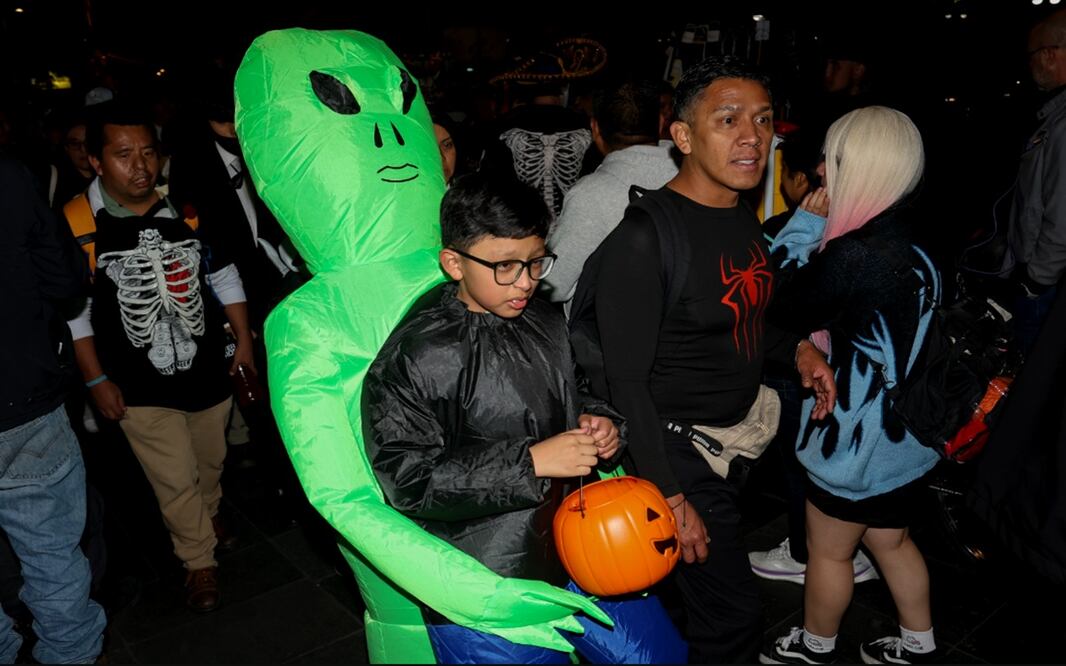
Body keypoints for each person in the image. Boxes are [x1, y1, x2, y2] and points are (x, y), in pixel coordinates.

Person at [363, 173, 687, 664]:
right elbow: (408, 481)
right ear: (454, 262)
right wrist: (531, 461)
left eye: (536, 262)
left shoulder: (544, 319)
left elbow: (577, 393)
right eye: (505, 266)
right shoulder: (417, 356)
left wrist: (601, 424)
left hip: (580, 544)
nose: (526, 282)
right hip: (485, 578)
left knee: (656, 656)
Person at [590, 56, 836, 663]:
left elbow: (746, 315)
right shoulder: (644, 239)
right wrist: (671, 500)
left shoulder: (740, 216)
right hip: (677, 452)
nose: (751, 136)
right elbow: (626, 382)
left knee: (690, 605)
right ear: (682, 136)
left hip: (732, 444)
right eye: (727, 120)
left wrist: (798, 347)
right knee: (734, 618)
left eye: (762, 119)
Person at [760, 107, 941, 665]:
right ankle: (919, 647)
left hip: (856, 442)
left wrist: (805, 226)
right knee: (893, 541)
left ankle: (814, 648)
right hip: (910, 437)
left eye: (832, 159)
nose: (818, 170)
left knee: (829, 554)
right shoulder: (920, 239)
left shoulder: (856, 253)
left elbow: (771, 296)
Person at [64, 101, 255, 612]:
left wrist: (243, 338)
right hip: (137, 384)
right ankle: (198, 562)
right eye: (124, 155)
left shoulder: (186, 207)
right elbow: (74, 314)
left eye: (148, 152)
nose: (140, 166)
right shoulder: (78, 222)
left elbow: (223, 272)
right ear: (97, 161)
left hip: (207, 372)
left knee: (210, 461)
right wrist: (95, 379)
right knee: (173, 477)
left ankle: (209, 510)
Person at [748, 130, 880, 586]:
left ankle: (810, 553)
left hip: (794, 367)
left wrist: (799, 228)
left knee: (796, 459)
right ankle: (841, 547)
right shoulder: (864, 229)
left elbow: (768, 296)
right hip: (841, 373)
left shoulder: (793, 231)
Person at [0, 156, 107, 663]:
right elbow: (67, 283)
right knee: (53, 558)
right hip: (26, 399)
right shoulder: (8, 173)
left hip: (28, 401)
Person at [542, 76, 679, 307]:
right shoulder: (696, 174)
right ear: (660, 122)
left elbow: (554, 285)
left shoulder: (591, 195)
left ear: (594, 128)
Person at [1002, 7, 1066, 354]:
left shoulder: (1064, 123)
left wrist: (1036, 280)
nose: (1030, 67)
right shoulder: (1054, 116)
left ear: (1049, 55)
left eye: (1032, 57)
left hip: (1046, 287)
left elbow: (1062, 214)